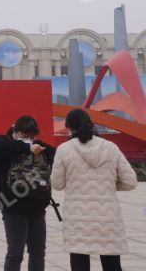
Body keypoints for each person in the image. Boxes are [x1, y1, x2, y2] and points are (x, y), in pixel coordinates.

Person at [51, 108, 137, 271]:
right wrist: (109, 185)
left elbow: (57, 184)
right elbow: (130, 182)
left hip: (78, 218)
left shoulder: (64, 149)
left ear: (69, 128)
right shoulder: (111, 147)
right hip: (108, 216)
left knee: (79, 263)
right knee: (112, 264)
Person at [0, 115, 56, 271]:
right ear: (16, 131)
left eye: (32, 137)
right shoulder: (2, 142)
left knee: (38, 252)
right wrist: (27, 147)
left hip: (37, 206)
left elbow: (54, 153)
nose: (29, 139)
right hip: (13, 207)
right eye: (24, 136)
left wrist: (37, 146)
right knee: (15, 253)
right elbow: (2, 147)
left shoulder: (38, 145)